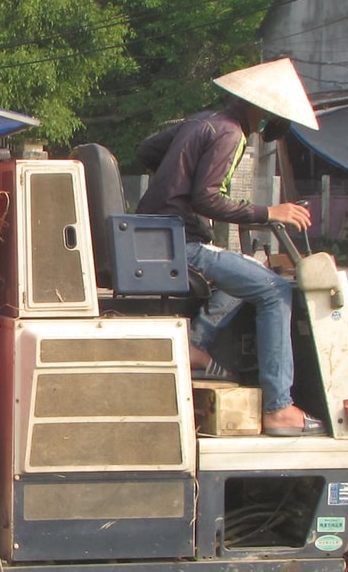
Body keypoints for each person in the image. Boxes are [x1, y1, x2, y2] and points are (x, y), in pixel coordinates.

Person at [136, 60, 325, 437]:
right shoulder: (231, 134)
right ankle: (279, 407)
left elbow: (145, 151)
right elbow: (206, 197)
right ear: (264, 110)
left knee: (244, 272)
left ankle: (197, 344)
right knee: (275, 290)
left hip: (155, 236)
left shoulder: (200, 121)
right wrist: (270, 211)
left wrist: (176, 174)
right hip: (180, 242)